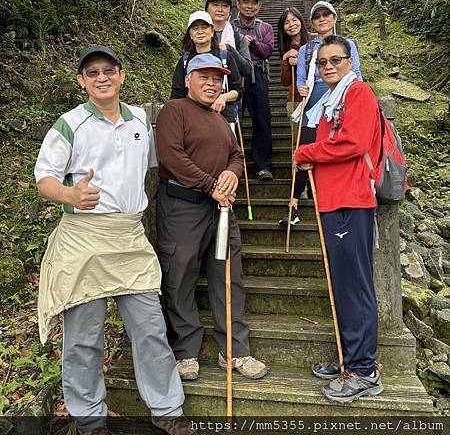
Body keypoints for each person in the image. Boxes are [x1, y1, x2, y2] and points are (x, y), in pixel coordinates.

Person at [34, 45, 189, 435]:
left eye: (108, 70)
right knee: (84, 338)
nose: (101, 77)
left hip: (129, 238)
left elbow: (158, 162)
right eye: (92, 73)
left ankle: (168, 411)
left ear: (121, 76)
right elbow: (44, 179)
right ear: (82, 82)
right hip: (83, 240)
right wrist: (70, 195)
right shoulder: (69, 124)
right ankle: (89, 420)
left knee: (150, 327)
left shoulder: (139, 118)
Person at [156, 53, 268, 382]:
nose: (212, 83)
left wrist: (232, 175)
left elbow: (235, 154)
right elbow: (171, 156)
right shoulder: (173, 111)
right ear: (188, 79)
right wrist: (211, 185)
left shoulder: (220, 118)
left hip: (220, 208)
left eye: (217, 78)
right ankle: (185, 351)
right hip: (183, 207)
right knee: (180, 276)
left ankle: (234, 349)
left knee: (227, 275)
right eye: (204, 77)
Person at [294, 35, 383, 403]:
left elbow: (354, 142)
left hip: (351, 200)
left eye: (335, 60)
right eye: (322, 62)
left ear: (349, 61)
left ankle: (363, 370)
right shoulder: (334, 99)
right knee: (341, 283)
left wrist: (308, 150)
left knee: (354, 285)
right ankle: (350, 356)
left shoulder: (358, 93)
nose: (328, 66)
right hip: (333, 201)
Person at [290, 2, 363, 223]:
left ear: (334, 18)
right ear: (311, 22)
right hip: (313, 100)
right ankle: (294, 202)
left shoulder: (348, 44)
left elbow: (356, 73)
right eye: (317, 16)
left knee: (334, 148)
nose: (322, 19)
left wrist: (357, 97)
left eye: (326, 14)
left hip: (341, 99)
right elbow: (301, 79)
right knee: (306, 148)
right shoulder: (306, 49)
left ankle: (326, 199)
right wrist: (300, 88)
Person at [171, 11, 243, 133]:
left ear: (212, 31)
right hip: (192, 121)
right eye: (195, 28)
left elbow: (239, 90)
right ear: (190, 34)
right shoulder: (184, 61)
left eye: (204, 27)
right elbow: (177, 93)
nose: (200, 31)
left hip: (223, 118)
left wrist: (223, 97)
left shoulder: (225, 57)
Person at [233, 0, 274, 180]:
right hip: (235, 75)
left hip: (258, 74)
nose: (250, 6)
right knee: (234, 119)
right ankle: (234, 164)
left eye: (254, 3)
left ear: (259, 6)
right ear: (238, 4)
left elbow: (267, 51)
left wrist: (252, 44)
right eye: (246, 2)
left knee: (262, 119)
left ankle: (263, 165)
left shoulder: (264, 27)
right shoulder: (229, 26)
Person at [277, 7, 310, 226]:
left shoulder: (314, 45)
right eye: (286, 22)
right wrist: (285, 60)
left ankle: (310, 187)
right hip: (295, 101)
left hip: (315, 100)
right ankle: (300, 191)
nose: (291, 24)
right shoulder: (286, 49)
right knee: (298, 147)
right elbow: (286, 81)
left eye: (294, 20)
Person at [205, 0, 251, 77]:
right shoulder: (199, 35)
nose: (220, 9)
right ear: (206, 8)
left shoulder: (238, 38)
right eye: (215, 5)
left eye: (225, 6)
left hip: (231, 89)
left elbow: (246, 70)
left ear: (230, 11)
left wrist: (230, 49)